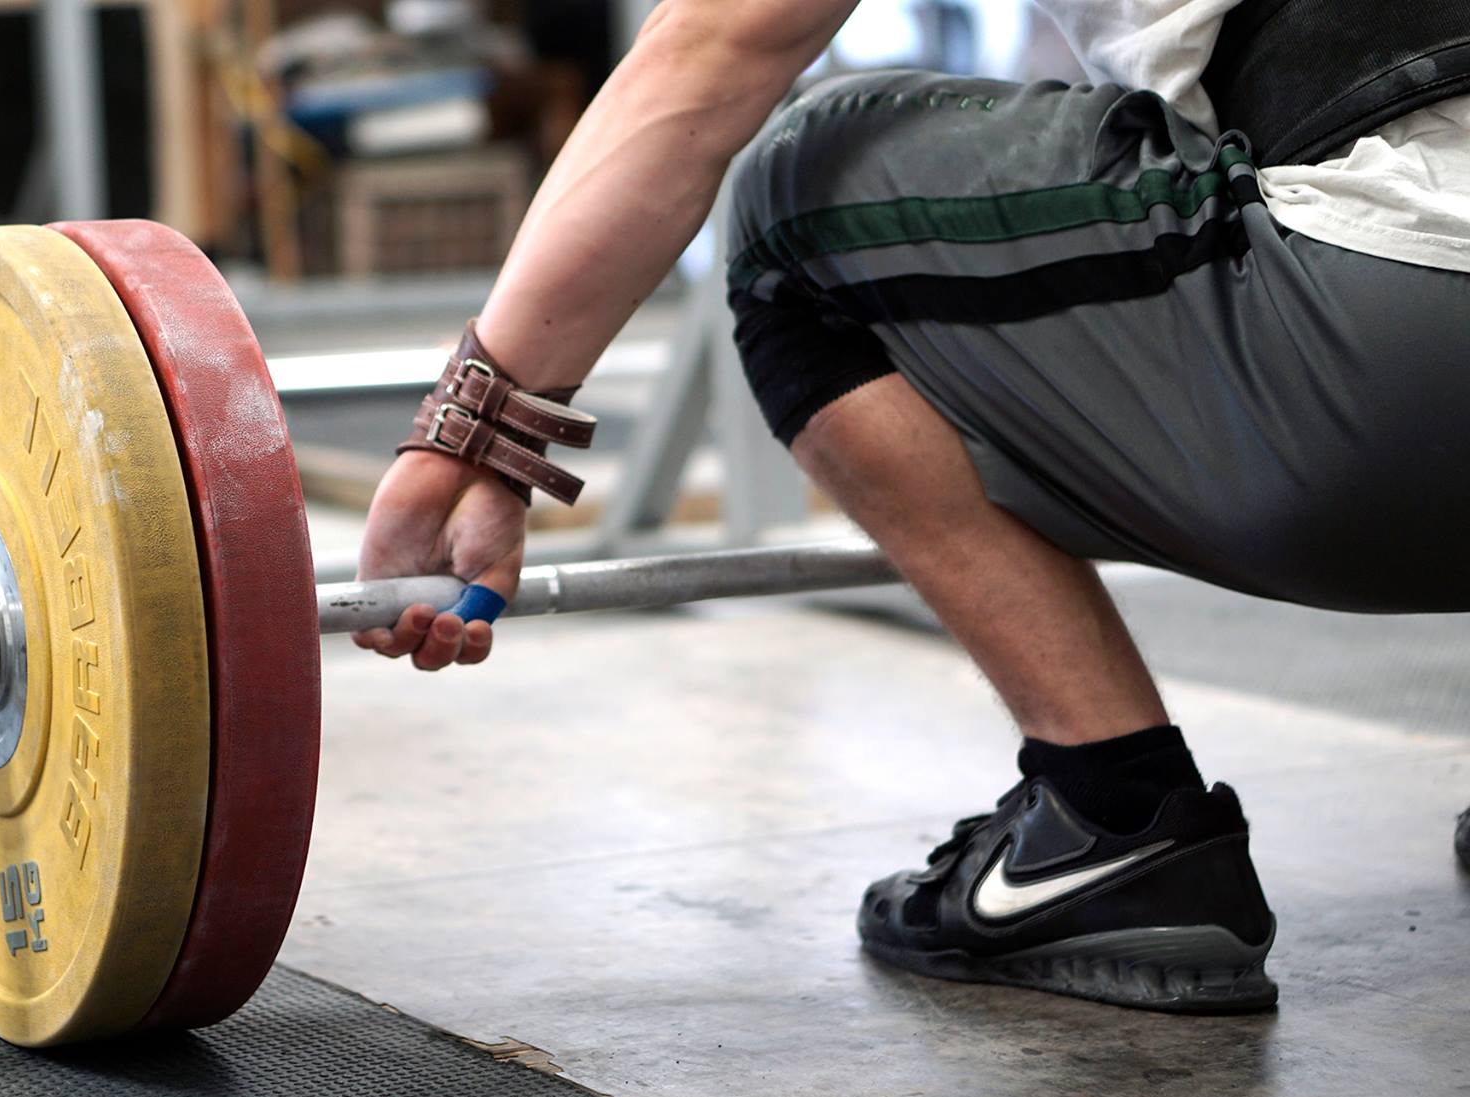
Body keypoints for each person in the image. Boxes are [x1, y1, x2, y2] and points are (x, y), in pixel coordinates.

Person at [354, 0, 1470, 1012]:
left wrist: (479, 434)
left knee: (804, 179)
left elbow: (714, 52)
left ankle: (1110, 816)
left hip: (1395, 370)